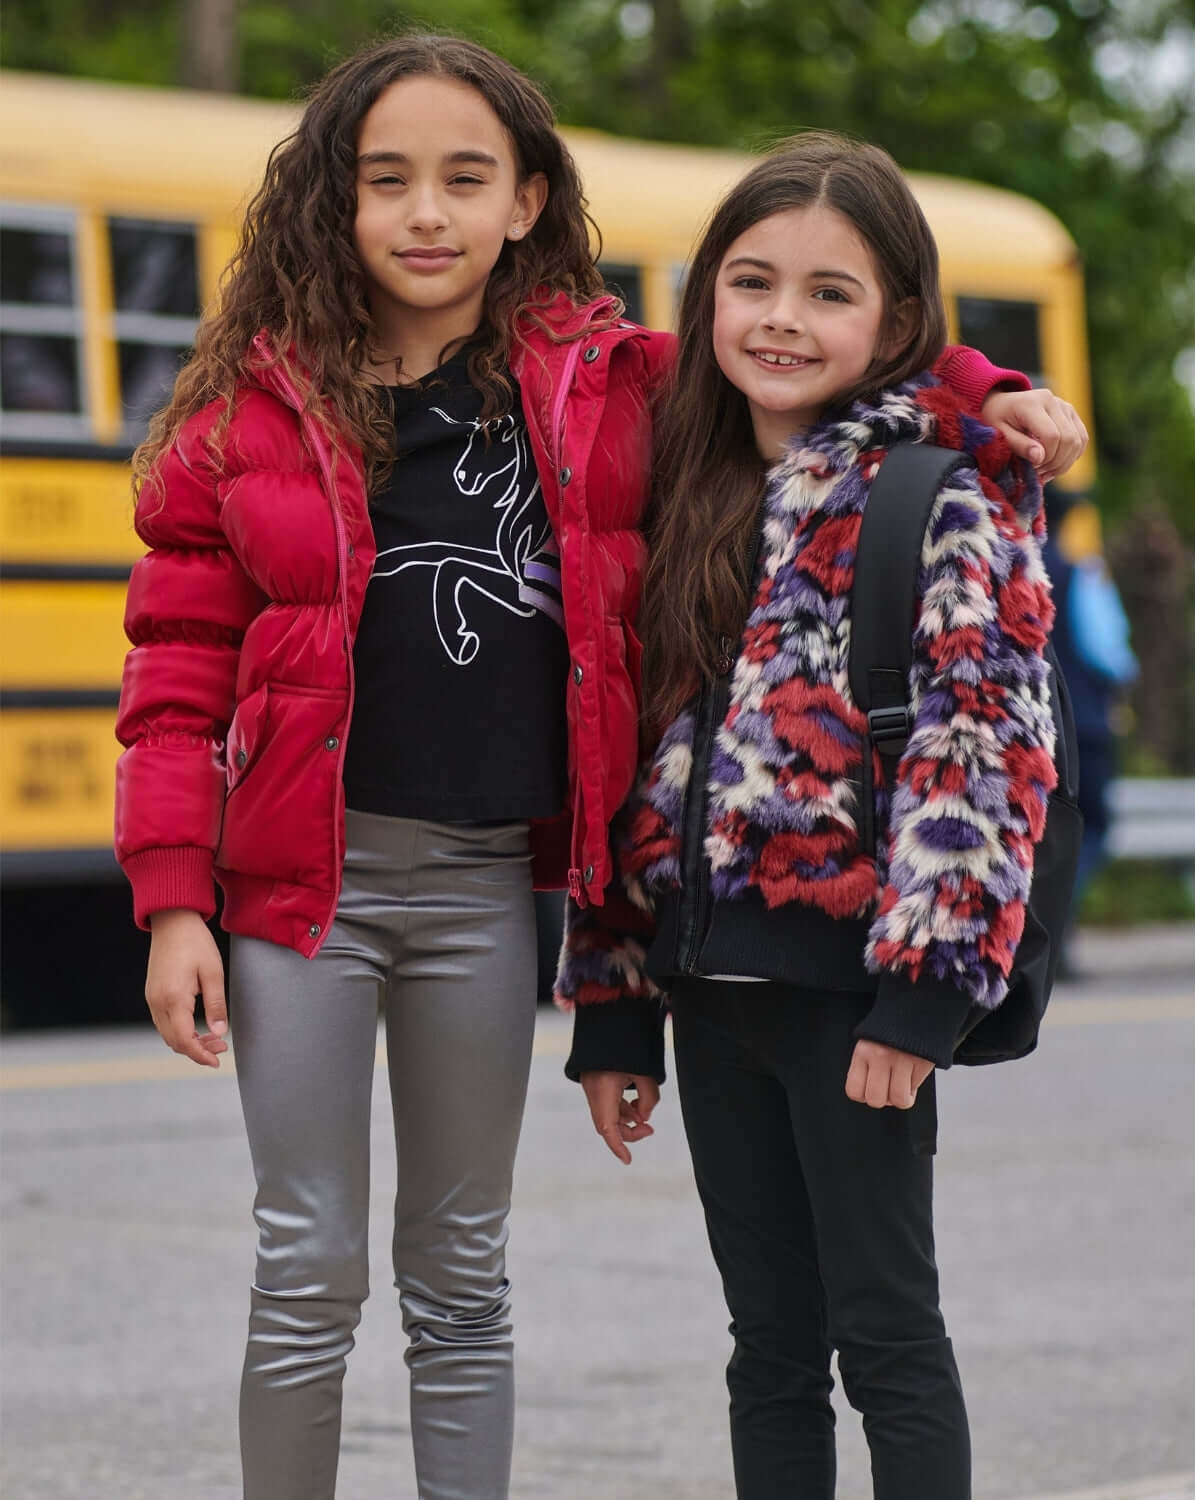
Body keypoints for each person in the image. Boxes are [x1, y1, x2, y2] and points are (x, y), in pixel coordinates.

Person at [113, 30, 1085, 1496]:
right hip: (293, 892)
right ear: (335, 203)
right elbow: (174, 674)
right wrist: (172, 896)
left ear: (525, 200)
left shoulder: (598, 384)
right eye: (388, 182)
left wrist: (983, 380)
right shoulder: (248, 414)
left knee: (464, 1272)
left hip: (487, 892)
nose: (426, 214)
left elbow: (797, 323)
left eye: (465, 178)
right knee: (304, 1265)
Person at [556, 131, 1076, 1500]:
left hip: (857, 995)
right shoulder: (680, 495)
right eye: (752, 281)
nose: (783, 317)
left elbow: (984, 756)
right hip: (705, 992)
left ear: (898, 321)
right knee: (766, 1347)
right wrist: (616, 1006)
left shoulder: (940, 494)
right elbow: (633, 763)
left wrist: (924, 999)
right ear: (708, 299)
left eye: (830, 293)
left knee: (887, 1336)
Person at [1042, 486, 1137, 971]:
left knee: (1042, 832)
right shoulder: (1081, 575)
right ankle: (1059, 932)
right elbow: (1109, 654)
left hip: (1034, 728)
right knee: (1088, 828)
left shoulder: (1009, 568)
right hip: (1087, 729)